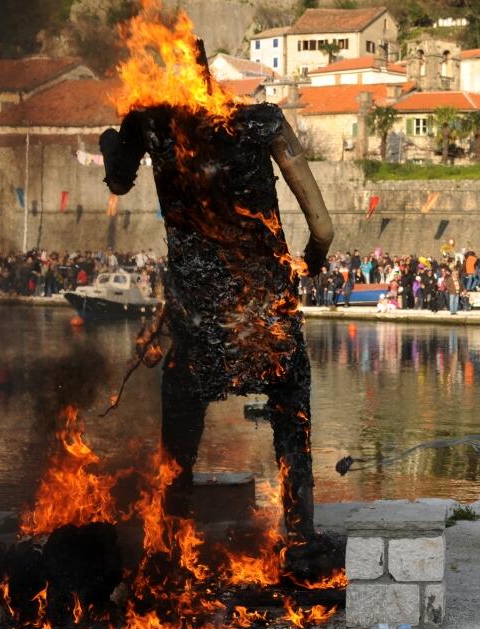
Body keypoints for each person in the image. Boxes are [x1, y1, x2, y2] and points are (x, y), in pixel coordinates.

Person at [99, 37, 334, 550]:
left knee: (179, 445)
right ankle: (301, 537)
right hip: (267, 314)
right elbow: (323, 227)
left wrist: (107, 143)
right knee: (291, 415)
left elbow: (118, 182)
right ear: (211, 78)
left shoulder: (149, 123)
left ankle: (170, 547)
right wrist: (310, 263)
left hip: (200, 323)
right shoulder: (266, 121)